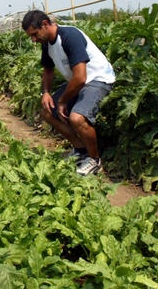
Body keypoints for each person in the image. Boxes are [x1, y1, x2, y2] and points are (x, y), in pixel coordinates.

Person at [21, 10, 116, 176]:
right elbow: (48, 69)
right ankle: (81, 150)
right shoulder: (47, 43)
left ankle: (94, 160)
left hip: (97, 79)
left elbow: (80, 77)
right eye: (31, 36)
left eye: (35, 34)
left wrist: (62, 101)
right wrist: (46, 92)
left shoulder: (69, 36)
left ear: (45, 24)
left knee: (76, 118)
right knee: (47, 112)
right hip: (79, 82)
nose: (33, 40)